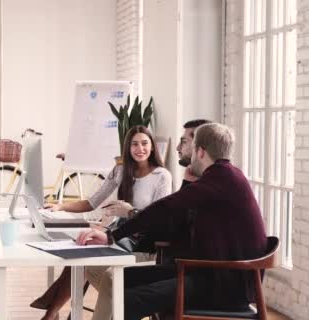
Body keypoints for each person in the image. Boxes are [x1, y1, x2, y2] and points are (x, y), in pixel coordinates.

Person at [76, 123, 268, 319]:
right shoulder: (227, 176)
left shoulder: (218, 179)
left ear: (200, 152)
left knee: (127, 300)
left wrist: (111, 236)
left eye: (192, 149)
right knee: (114, 278)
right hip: (212, 273)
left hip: (224, 284)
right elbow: (177, 221)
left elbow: (164, 208)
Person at [31, 125, 172, 320]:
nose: (140, 149)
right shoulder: (122, 170)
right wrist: (60, 206)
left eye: (145, 143)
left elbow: (157, 221)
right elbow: (92, 202)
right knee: (78, 251)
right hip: (117, 238)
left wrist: (129, 211)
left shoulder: (161, 176)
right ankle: (52, 313)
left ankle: (51, 312)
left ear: (152, 147)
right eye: (135, 144)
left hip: (141, 246)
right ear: (128, 148)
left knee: (93, 269)